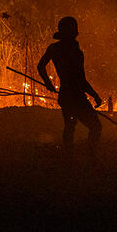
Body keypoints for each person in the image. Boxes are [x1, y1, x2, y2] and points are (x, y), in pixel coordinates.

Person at [38, 16, 102, 154]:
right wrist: (95, 96)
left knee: (69, 126)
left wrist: (48, 83)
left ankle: (68, 155)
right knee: (95, 126)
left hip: (65, 95)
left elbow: (40, 66)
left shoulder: (54, 49)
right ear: (73, 33)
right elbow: (81, 80)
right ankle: (90, 155)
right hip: (76, 97)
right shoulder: (76, 53)